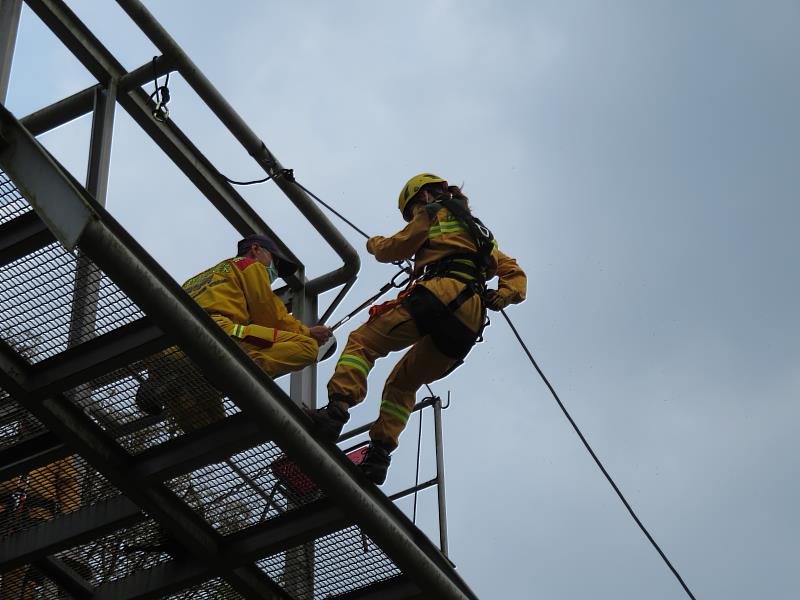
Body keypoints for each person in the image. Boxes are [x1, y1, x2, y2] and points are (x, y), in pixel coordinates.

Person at [308, 173, 527, 484]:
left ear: (423, 196)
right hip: (470, 320)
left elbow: (395, 248)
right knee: (403, 384)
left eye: (410, 211)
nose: (412, 217)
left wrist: (375, 244)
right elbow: (514, 271)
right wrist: (503, 294)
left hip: (440, 294)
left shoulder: (432, 211)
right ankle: (378, 458)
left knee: (363, 342)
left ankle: (335, 412)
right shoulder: (482, 234)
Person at [137, 234, 332, 432]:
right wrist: (307, 332)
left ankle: (170, 387)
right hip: (218, 336)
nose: (276, 272)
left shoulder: (201, 277)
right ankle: (237, 372)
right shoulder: (249, 265)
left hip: (170, 346)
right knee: (307, 348)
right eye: (276, 263)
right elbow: (269, 314)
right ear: (256, 249)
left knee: (211, 425)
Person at [0, 455, 82, 599]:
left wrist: (70, 520)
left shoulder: (58, 454)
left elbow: (68, 485)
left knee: (28, 566)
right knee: (12, 565)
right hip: (6, 515)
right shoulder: (10, 448)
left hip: (37, 516)